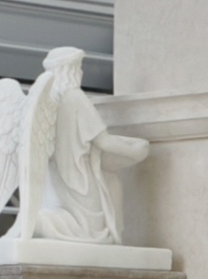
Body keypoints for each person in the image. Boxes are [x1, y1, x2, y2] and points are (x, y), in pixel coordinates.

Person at [34, 46, 149, 243]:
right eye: (78, 68)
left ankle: (43, 223)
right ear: (70, 70)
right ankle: (46, 224)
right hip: (80, 181)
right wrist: (137, 148)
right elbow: (103, 140)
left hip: (57, 183)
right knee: (93, 229)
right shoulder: (75, 98)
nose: (81, 72)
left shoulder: (48, 103)